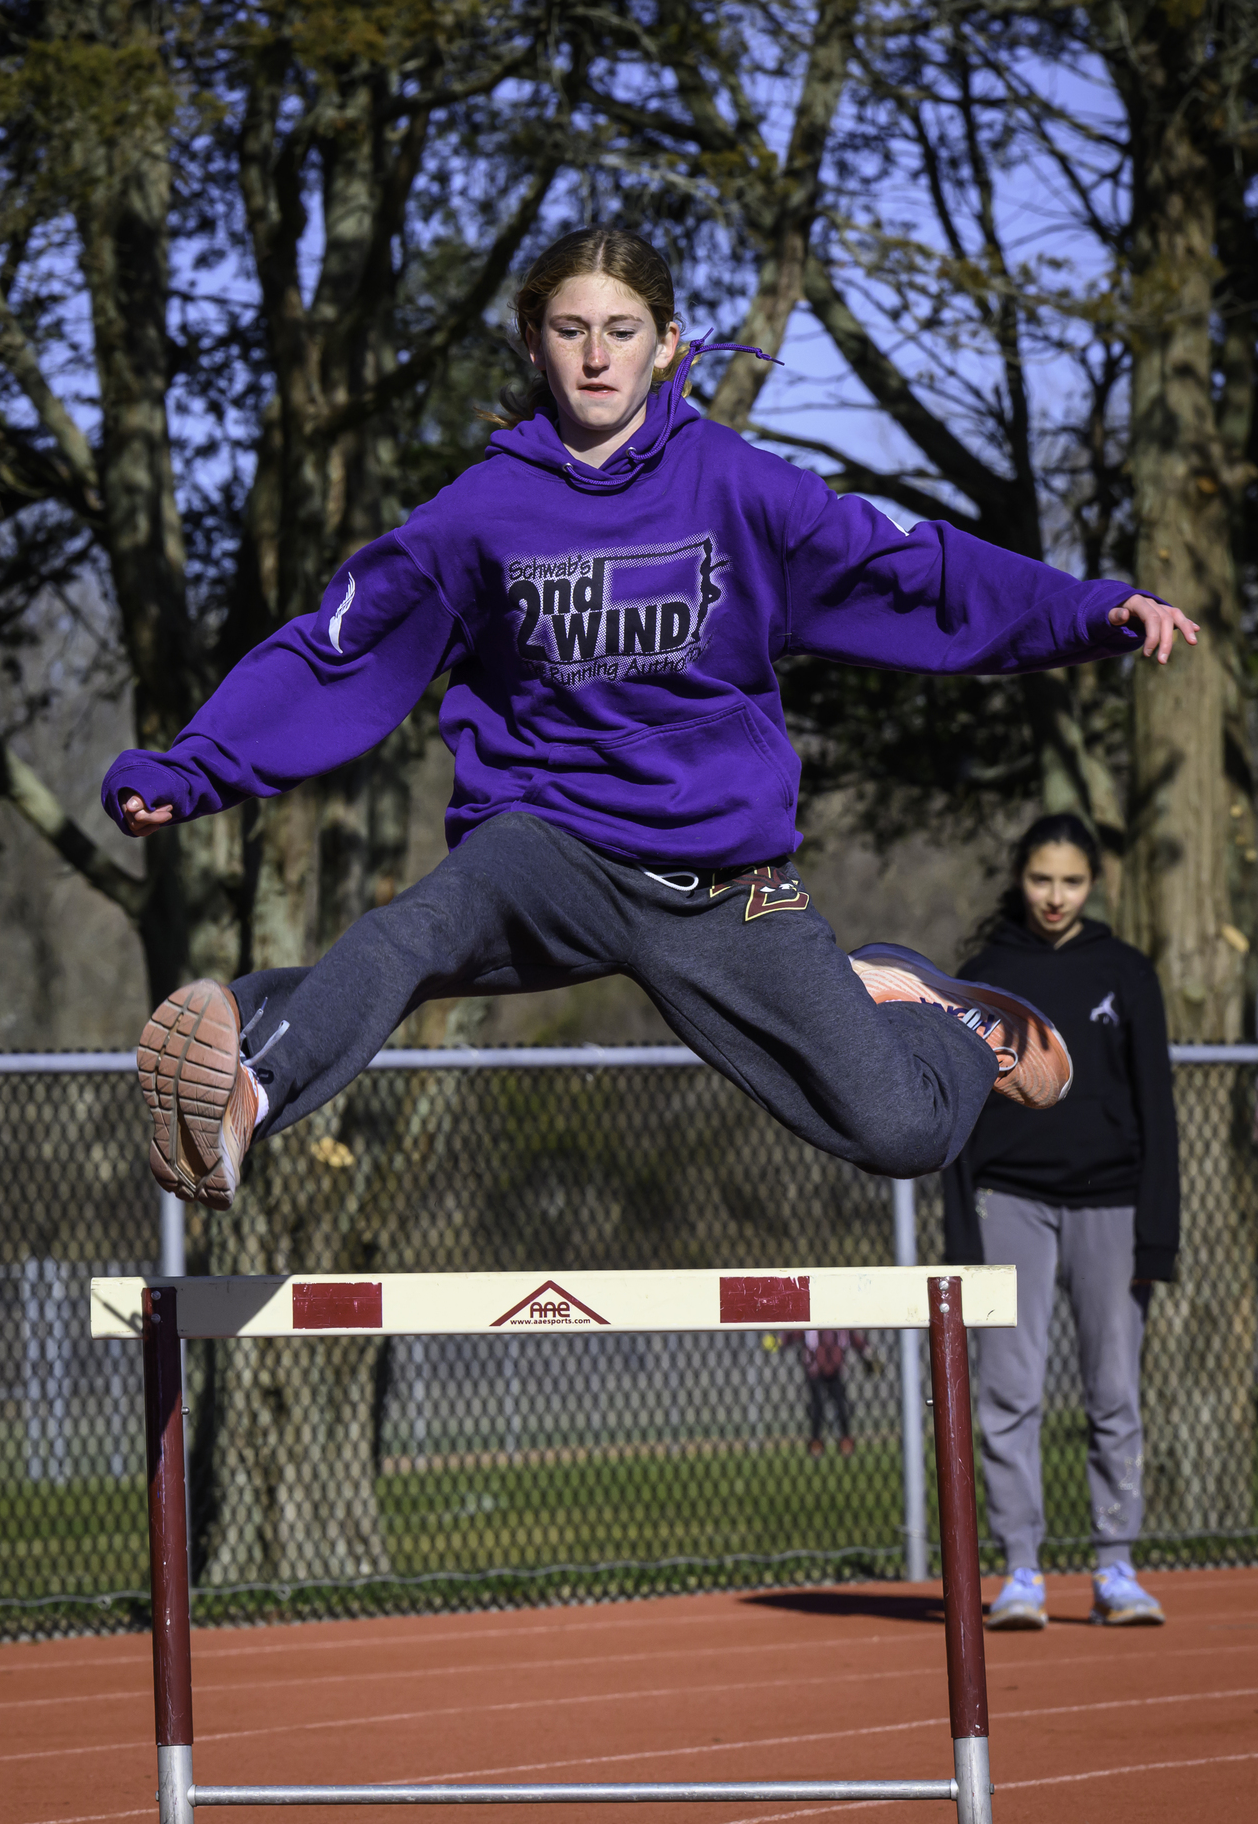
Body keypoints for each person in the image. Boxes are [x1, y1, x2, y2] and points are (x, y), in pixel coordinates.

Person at [100, 224, 1196, 1218]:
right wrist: (192, 769)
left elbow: (908, 575)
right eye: (570, 330)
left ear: (668, 344)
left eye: (620, 332)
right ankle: (239, 1085)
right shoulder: (480, 515)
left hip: (721, 883)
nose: (594, 357)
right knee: (412, 934)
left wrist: (1092, 610)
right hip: (550, 844)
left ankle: (932, 1012)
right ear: (533, 342)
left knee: (902, 1131)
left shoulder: (737, 488)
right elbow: (337, 652)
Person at [942, 813, 1180, 1631]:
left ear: (1094, 882)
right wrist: (962, 1242)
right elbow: (958, 1117)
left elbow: (1159, 1110)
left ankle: (1116, 1566)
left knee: (1115, 1394)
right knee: (1009, 1393)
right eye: (1042, 878)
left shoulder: (1127, 971)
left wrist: (1158, 1235)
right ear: (1021, 877)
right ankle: (1022, 1573)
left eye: (1071, 881)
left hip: (1113, 1207)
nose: (1054, 896)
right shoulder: (982, 974)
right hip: (1009, 1205)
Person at [779, 1328, 876, 1456]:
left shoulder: (840, 1327)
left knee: (841, 1405)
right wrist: (779, 1342)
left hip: (834, 1371)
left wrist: (868, 1354)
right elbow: (794, 1335)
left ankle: (845, 1441)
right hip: (814, 1370)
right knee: (817, 1406)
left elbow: (856, 1340)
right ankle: (816, 1442)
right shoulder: (811, 1326)